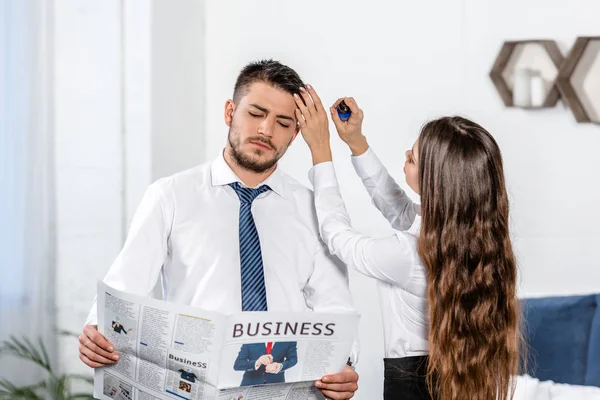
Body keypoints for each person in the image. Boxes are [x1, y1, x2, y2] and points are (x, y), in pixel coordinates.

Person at [78, 60, 359, 400]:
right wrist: (96, 331)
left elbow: (336, 308)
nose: (266, 130)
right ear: (230, 111)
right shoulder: (170, 195)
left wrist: (344, 363)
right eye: (256, 113)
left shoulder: (314, 209)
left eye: (283, 122)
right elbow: (125, 286)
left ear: (295, 133)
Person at [293, 86, 523, 400]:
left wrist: (321, 152)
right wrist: (356, 141)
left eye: (412, 158)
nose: (405, 156)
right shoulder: (468, 237)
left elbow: (337, 236)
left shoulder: (407, 254)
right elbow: (400, 210)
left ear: (436, 184)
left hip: (412, 387)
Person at [233, 341, 297, 386]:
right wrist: (257, 362)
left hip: (276, 386)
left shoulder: (288, 338)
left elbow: (293, 359)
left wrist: (280, 366)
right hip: (250, 384)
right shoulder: (251, 338)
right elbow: (238, 364)